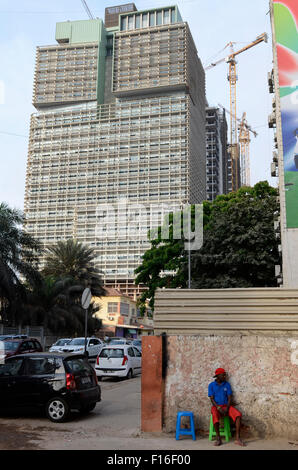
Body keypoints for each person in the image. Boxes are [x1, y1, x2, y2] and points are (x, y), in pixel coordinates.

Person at [208, 368, 246, 446]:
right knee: (214, 415)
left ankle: (237, 439)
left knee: (238, 415)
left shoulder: (227, 384)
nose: (225, 376)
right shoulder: (211, 385)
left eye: (225, 375)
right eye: (223, 375)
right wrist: (219, 408)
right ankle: (219, 438)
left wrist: (227, 408)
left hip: (226, 406)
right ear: (217, 376)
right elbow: (211, 399)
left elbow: (229, 397)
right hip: (216, 406)